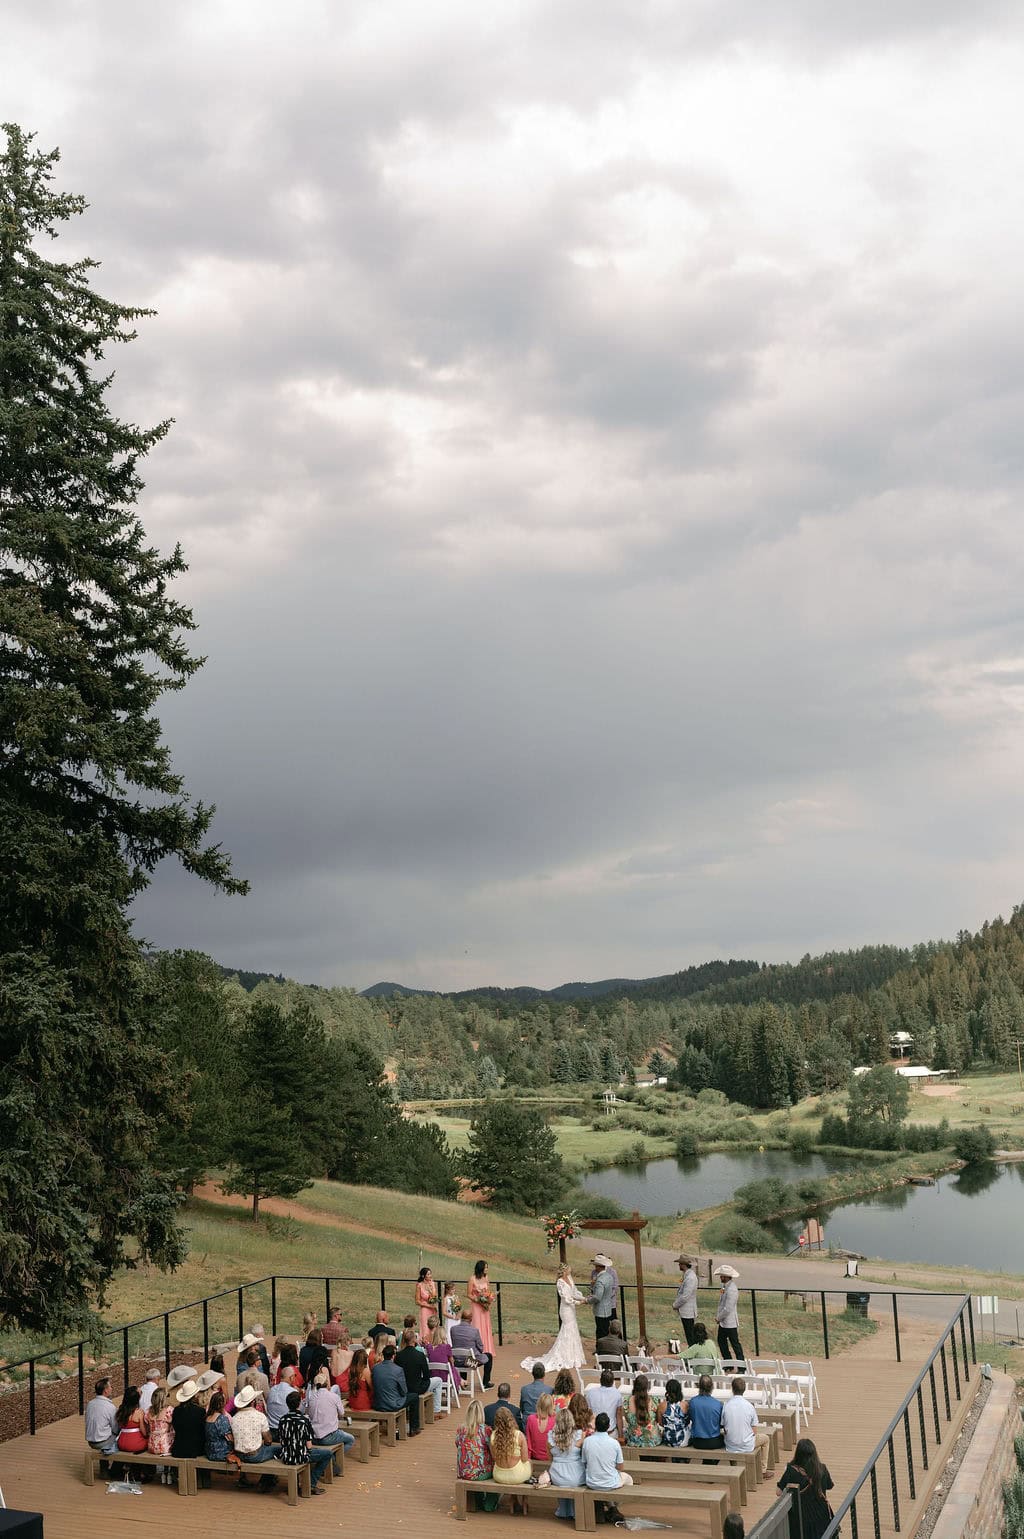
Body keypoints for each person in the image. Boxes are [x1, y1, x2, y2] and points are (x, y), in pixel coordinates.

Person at [521, 1262, 586, 1373]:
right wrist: (578, 1303)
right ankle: (563, 1355)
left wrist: (583, 1298)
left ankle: (572, 1356)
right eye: (569, 1268)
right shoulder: (560, 1282)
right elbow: (566, 1298)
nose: (570, 1269)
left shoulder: (570, 1278)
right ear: (565, 1270)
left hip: (572, 1309)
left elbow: (574, 1292)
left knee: (573, 1330)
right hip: (566, 1309)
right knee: (567, 1330)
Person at [278, 1388, 333, 1496]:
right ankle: (310, 1484)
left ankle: (299, 1484)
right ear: (299, 1404)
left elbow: (282, 1439)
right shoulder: (304, 1420)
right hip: (301, 1456)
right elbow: (309, 1445)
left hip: (286, 1456)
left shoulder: (283, 1419)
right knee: (327, 1454)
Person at [581, 1411, 633, 1525]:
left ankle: (608, 1507)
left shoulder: (587, 1441)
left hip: (592, 1482)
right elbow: (621, 1467)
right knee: (628, 1479)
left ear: (596, 1426)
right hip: (609, 1482)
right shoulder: (614, 1443)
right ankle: (613, 1507)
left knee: (604, 1479)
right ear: (609, 1427)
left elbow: (584, 1462)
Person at [779, 1437, 835, 1539]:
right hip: (822, 1514)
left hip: (801, 1518)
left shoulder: (791, 1471)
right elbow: (829, 1485)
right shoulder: (822, 1468)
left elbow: (778, 1492)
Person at [230, 1383, 280, 1489]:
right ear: (253, 1402)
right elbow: (268, 1440)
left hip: (239, 1454)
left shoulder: (234, 1418)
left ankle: (248, 1479)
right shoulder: (260, 1416)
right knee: (277, 1450)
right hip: (255, 1455)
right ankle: (267, 1479)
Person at [303, 1366, 356, 1457]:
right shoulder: (334, 1397)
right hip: (329, 1435)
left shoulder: (311, 1398)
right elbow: (342, 1414)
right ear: (327, 1383)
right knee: (351, 1439)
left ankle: (331, 1457)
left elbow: (308, 1413)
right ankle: (333, 1458)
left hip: (313, 1436)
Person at [722, 1377, 770, 1476]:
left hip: (730, 1445)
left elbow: (724, 1427)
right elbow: (754, 1430)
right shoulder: (749, 1406)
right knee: (766, 1439)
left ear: (732, 1389)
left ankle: (734, 1468)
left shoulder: (726, 1405)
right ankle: (763, 1470)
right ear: (744, 1389)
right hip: (747, 1444)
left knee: (730, 1435)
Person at [455, 1399, 497, 1512]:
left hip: (463, 1471)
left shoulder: (460, 1429)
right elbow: (493, 1452)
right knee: (496, 1471)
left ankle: (478, 1499)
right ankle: (490, 1503)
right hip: (479, 1472)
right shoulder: (486, 1430)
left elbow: (457, 1444)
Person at [371, 1342, 421, 1436]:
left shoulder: (375, 1368)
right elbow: (404, 1391)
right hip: (392, 1404)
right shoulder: (398, 1370)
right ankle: (414, 1428)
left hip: (378, 1403)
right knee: (414, 1397)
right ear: (393, 1356)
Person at [547, 1404, 586, 1521]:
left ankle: (563, 1510)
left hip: (557, 1474)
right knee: (573, 1479)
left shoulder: (550, 1436)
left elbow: (550, 1458)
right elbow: (583, 1455)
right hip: (576, 1475)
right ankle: (574, 1511)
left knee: (562, 1479)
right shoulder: (580, 1435)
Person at [490, 1405, 531, 1513]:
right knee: (529, 1464)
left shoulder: (493, 1436)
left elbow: (494, 1457)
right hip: (517, 1475)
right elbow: (525, 1459)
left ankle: (513, 1499)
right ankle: (525, 1500)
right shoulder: (519, 1435)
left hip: (499, 1475)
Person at [396, 1326, 443, 1417]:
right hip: (417, 1388)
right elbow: (426, 1375)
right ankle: (436, 1411)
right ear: (414, 1340)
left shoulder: (398, 1355)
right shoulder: (420, 1355)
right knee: (438, 1381)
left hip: (404, 1388)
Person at [173, 1379, 211, 1485]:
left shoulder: (176, 1411)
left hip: (179, 1447)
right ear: (194, 1396)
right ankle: (204, 1480)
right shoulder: (200, 1411)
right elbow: (203, 1430)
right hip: (196, 1449)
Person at [451, 1307, 493, 1390]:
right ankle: (486, 1382)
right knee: (489, 1356)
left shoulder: (453, 1329)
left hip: (456, 1361)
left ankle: (464, 1381)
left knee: (462, 1355)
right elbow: (480, 1347)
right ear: (471, 1319)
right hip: (470, 1363)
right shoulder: (474, 1330)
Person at [618, 1373, 662, 1448]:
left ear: (635, 1386)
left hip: (634, 1440)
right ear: (647, 1387)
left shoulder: (627, 1401)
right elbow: (657, 1420)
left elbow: (628, 1420)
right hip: (652, 1440)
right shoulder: (654, 1400)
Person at [715, 1266, 746, 1365]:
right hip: (724, 1322)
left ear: (727, 1277)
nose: (721, 1277)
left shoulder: (732, 1289)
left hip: (730, 1322)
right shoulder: (725, 1287)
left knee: (735, 1344)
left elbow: (728, 1308)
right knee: (721, 1342)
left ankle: (741, 1365)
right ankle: (728, 1363)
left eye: (722, 1276)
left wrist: (719, 1317)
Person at [685, 1374, 725, 1450]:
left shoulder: (693, 1402)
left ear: (699, 1386)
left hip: (698, 1441)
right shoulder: (717, 1404)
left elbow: (690, 1419)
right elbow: (721, 1424)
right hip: (714, 1440)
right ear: (712, 1387)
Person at [468, 1260, 495, 1368]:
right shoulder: (472, 1279)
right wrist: (478, 1301)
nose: (487, 1269)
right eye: (485, 1267)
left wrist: (488, 1300)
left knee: (486, 1325)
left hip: (485, 1306)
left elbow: (488, 1291)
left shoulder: (486, 1278)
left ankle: (487, 1348)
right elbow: (469, 1294)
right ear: (480, 1268)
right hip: (476, 1306)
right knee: (478, 1325)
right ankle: (478, 1349)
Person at [85, 1377, 119, 1460]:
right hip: (102, 1442)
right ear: (105, 1390)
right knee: (122, 1438)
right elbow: (115, 1428)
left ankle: (104, 1468)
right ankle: (118, 1467)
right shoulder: (109, 1406)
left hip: (91, 1441)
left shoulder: (90, 1404)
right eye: (110, 1386)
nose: (112, 1388)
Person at [425, 1319, 457, 1407]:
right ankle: (460, 1383)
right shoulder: (447, 1347)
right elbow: (452, 1362)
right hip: (444, 1376)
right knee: (453, 1369)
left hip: (433, 1375)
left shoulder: (429, 1347)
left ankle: (461, 1382)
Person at [147, 1385, 176, 1484]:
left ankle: (165, 1473)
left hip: (152, 1445)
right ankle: (168, 1473)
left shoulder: (148, 1411)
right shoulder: (169, 1410)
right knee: (172, 1435)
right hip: (165, 1446)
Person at [586, 1255, 615, 1348]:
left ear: (598, 1266)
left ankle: (601, 1349)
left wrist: (587, 1300)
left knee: (600, 1331)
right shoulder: (609, 1277)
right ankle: (606, 1348)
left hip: (600, 1310)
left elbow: (597, 1297)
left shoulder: (600, 1280)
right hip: (608, 1307)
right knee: (606, 1330)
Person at [115, 1386, 150, 1464]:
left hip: (121, 1442)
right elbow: (144, 1432)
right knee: (150, 1443)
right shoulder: (139, 1412)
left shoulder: (121, 1411)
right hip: (135, 1444)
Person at [674, 1255, 699, 1346]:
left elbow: (685, 1296)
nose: (679, 1265)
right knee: (689, 1333)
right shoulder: (687, 1276)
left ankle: (692, 1354)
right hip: (685, 1310)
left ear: (684, 1264)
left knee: (690, 1334)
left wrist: (676, 1305)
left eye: (680, 1264)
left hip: (688, 1311)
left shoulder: (690, 1278)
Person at [657, 1378, 690, 1449]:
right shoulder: (685, 1405)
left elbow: (660, 1423)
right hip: (684, 1441)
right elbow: (687, 1422)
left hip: (669, 1441)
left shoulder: (661, 1405)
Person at [204, 1390, 233, 1468]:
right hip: (222, 1453)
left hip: (209, 1452)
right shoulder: (222, 1418)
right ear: (221, 1404)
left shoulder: (207, 1418)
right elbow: (229, 1438)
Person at [525, 1390, 557, 1461]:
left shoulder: (530, 1419)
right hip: (550, 1460)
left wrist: (528, 1459)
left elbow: (528, 1442)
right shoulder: (555, 1420)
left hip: (534, 1458)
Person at [267, 1365, 297, 1431]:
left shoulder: (272, 1389)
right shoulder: (293, 1392)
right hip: (286, 1430)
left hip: (271, 1428)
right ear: (291, 1377)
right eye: (295, 1376)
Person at [416, 1267, 438, 1339]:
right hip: (425, 1309)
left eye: (430, 1274)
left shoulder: (432, 1283)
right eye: (428, 1274)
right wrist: (427, 1305)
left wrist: (431, 1290)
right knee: (425, 1327)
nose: (430, 1275)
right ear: (423, 1276)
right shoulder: (419, 1285)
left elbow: (434, 1297)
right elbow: (417, 1301)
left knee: (433, 1326)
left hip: (432, 1309)